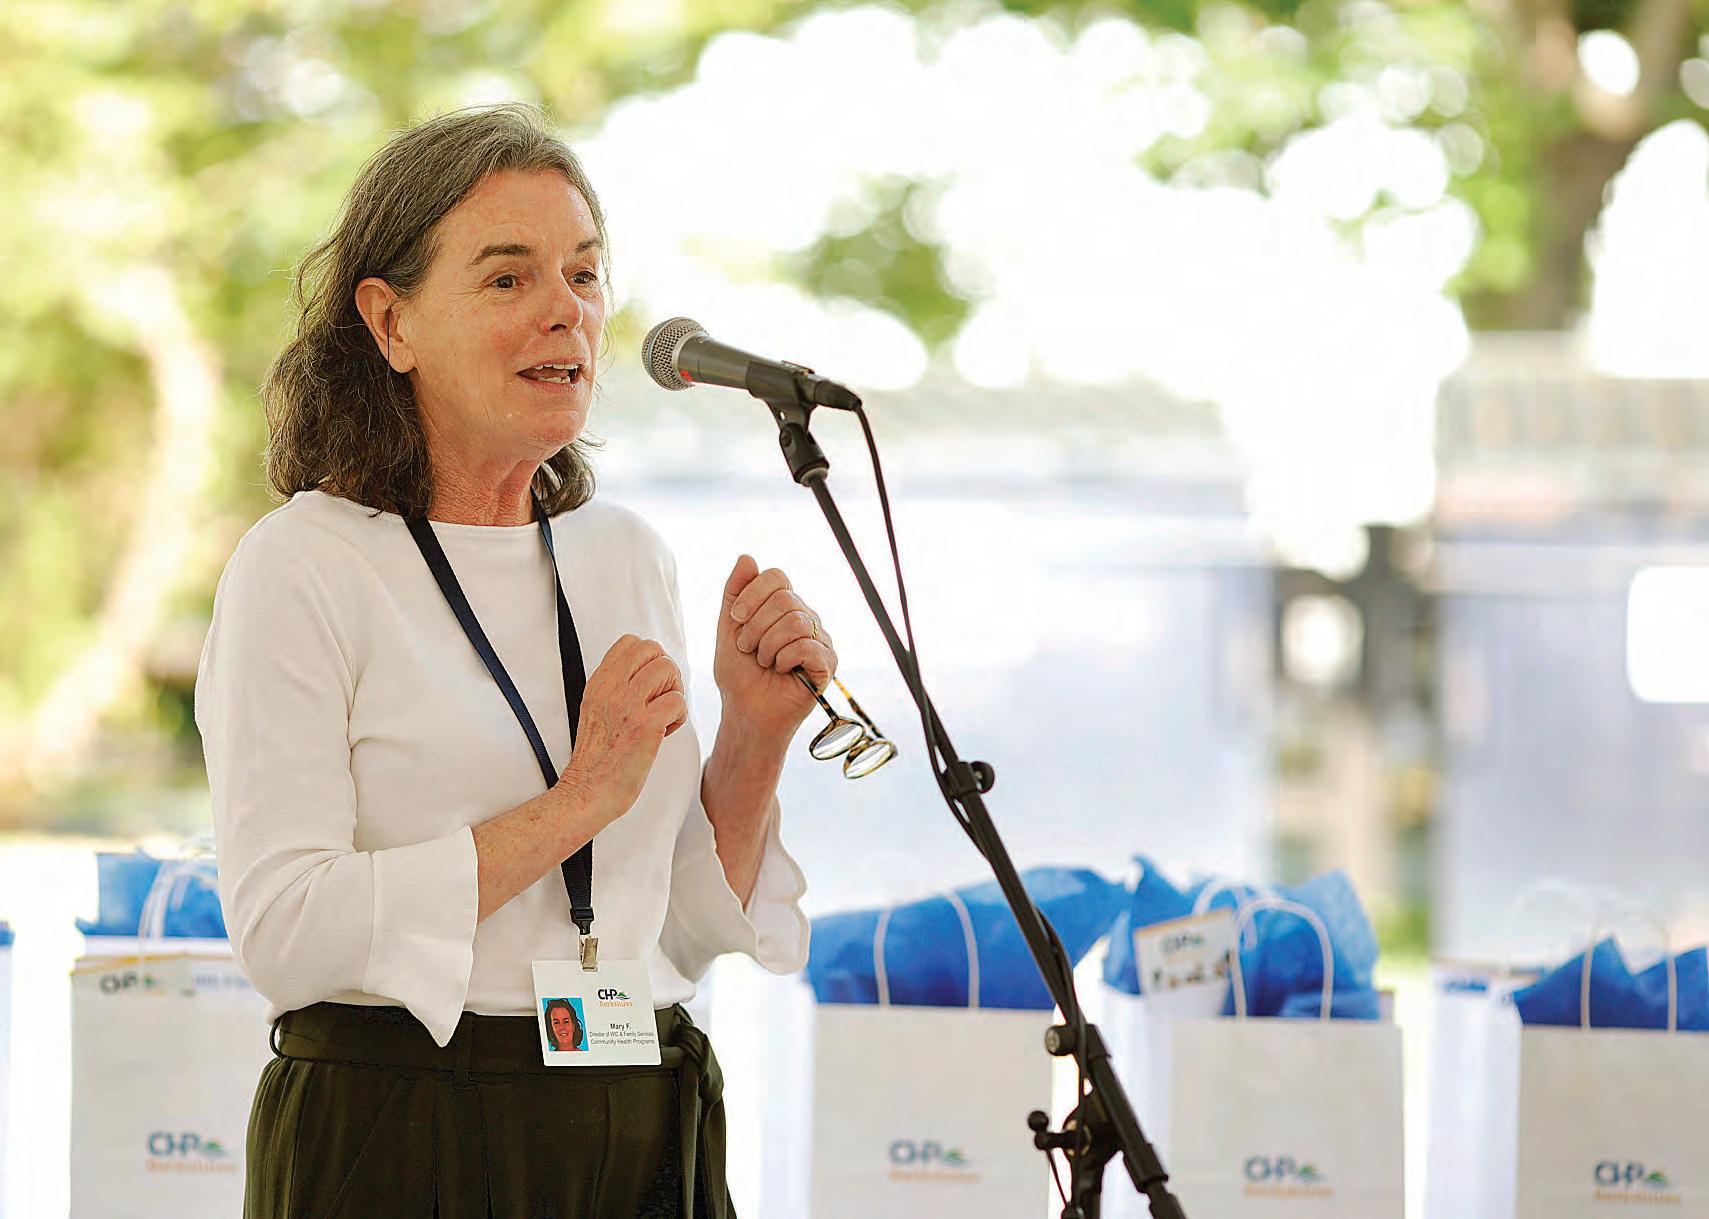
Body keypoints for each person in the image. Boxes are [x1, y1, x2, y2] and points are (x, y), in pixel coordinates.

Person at [195, 102, 832, 1218]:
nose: (564, 310)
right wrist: (580, 799)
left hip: (635, 1103)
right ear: (391, 322)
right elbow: (287, 933)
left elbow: (669, 931)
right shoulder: (303, 564)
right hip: (400, 1127)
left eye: (583, 274)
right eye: (507, 278)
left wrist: (755, 735)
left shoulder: (623, 554)